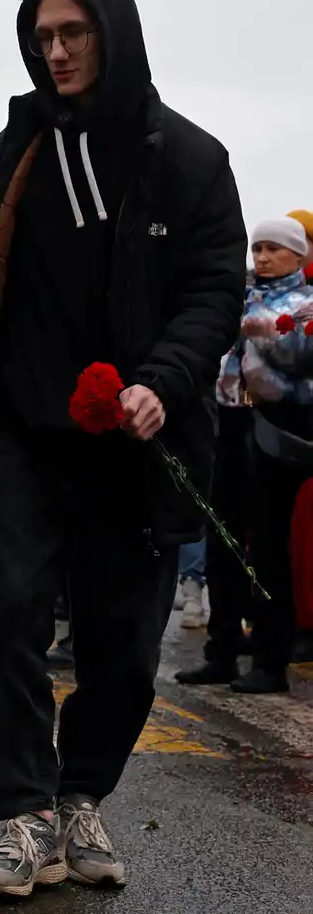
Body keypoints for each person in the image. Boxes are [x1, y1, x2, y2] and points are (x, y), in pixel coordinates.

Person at [0, 0, 246, 895]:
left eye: (72, 34)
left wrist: (163, 383)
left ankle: (82, 791)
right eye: (42, 37)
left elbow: (217, 290)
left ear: (115, 33)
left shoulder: (189, 158)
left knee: (123, 644)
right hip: (21, 429)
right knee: (9, 612)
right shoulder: (17, 149)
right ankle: (23, 813)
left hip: (140, 442)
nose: (54, 52)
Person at [176, 216, 313, 694]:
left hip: (275, 429)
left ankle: (271, 660)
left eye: (275, 248)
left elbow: (300, 357)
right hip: (228, 424)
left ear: (300, 255)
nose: (264, 257)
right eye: (258, 248)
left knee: (269, 546)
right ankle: (222, 652)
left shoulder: (305, 304)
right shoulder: (239, 295)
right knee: (222, 539)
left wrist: (268, 334)